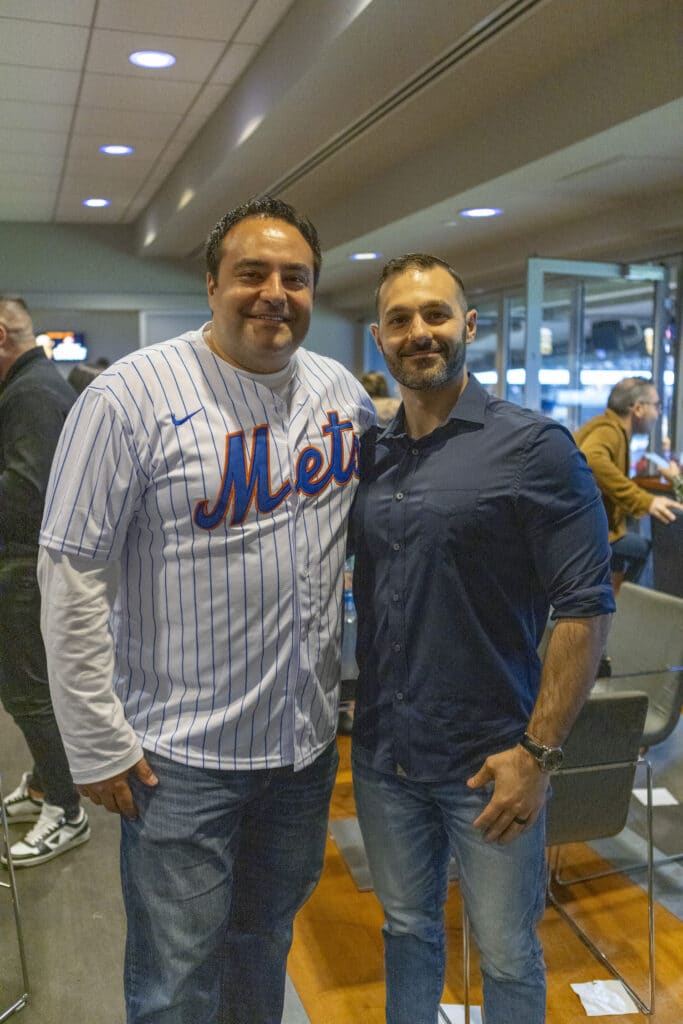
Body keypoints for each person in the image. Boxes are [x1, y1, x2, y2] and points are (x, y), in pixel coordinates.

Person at [37, 196, 375, 1024]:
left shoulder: (340, 393)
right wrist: (94, 743)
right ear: (212, 283)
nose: (274, 293)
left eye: (295, 278)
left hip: (300, 749)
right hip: (178, 759)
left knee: (262, 941)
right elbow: (71, 574)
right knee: (175, 978)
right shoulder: (126, 399)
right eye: (251, 273)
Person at [349, 254, 615, 1024]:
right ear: (378, 339)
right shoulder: (371, 453)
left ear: (468, 326)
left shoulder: (535, 449)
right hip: (382, 755)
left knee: (504, 953)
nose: (418, 332)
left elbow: (585, 606)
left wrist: (537, 755)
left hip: (491, 763)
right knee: (406, 931)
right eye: (399, 320)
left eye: (435, 314)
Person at [0, 296, 90, 866]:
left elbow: (26, 493)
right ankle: (42, 785)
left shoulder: (31, 392)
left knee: (30, 695)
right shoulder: (33, 384)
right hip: (27, 566)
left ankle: (66, 807)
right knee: (32, 693)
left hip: (23, 567)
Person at [574, 377, 683, 592]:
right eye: (657, 405)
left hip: (588, 529)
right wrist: (645, 501)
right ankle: (626, 615)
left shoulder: (608, 428)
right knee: (647, 551)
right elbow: (593, 459)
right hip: (585, 534)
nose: (659, 412)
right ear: (639, 409)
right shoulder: (610, 431)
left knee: (619, 554)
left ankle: (614, 612)